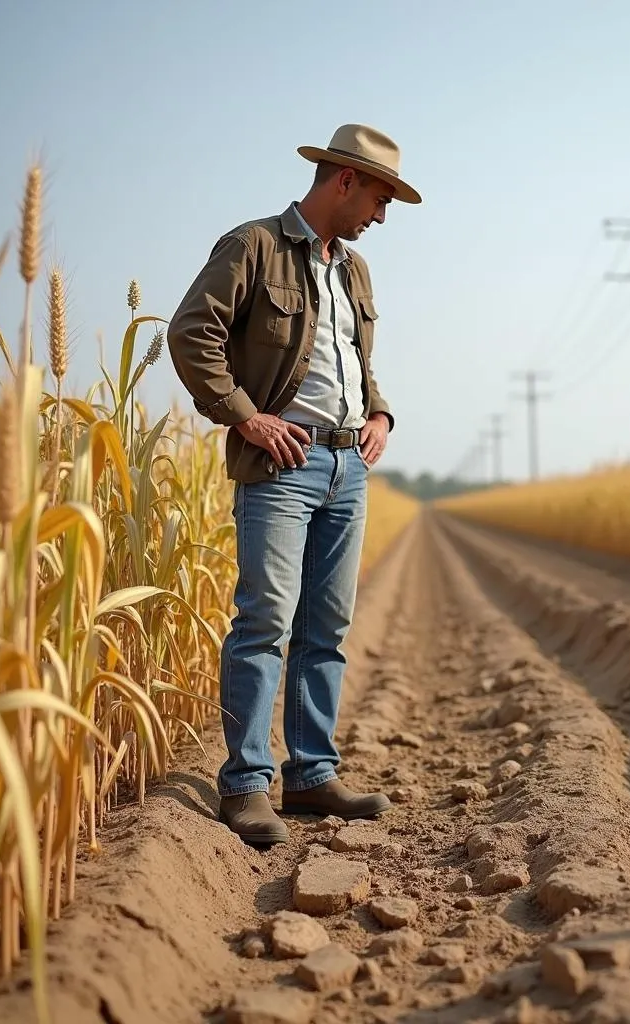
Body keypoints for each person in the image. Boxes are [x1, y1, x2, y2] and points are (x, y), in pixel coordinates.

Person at [166, 124, 421, 846]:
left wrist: (381, 414)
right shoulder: (253, 247)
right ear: (344, 181)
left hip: (349, 467)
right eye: (379, 197)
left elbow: (353, 360)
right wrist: (247, 420)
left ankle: (310, 776)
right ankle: (247, 785)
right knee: (266, 623)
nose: (381, 214)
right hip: (282, 468)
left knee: (326, 629)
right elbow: (193, 334)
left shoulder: (356, 272)